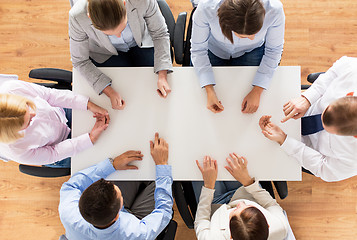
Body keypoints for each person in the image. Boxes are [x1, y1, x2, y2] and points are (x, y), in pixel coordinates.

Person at [259, 56, 357, 182]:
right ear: (348, 95)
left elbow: (323, 169)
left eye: (329, 130)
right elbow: (339, 66)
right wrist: (308, 98)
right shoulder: (354, 72)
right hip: (299, 107)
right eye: (326, 109)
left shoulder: (354, 158)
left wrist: (285, 140)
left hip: (300, 148)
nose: (321, 121)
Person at [59, 132, 173, 240]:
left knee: (135, 172)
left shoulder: (69, 213)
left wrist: (112, 165)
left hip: (116, 219)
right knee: (166, 180)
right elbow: (164, 211)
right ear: (118, 215)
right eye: (120, 195)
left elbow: (72, 185)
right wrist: (161, 165)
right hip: (135, 222)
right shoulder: (137, 234)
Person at [69, 0, 173, 110]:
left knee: (150, 84)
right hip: (104, 52)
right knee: (122, 87)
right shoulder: (77, 16)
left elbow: (160, 33)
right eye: (109, 34)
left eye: (122, 28)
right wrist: (109, 91)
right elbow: (80, 61)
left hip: (142, 41)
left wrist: (162, 75)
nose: (118, 36)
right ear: (90, 17)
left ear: (124, 4)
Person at [191, 0, 285, 114]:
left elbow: (273, 50)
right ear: (225, 23)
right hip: (214, 49)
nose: (252, 38)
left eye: (254, 33)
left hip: (252, 51)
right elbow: (198, 49)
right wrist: (209, 89)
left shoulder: (274, 9)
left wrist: (258, 90)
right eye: (242, 36)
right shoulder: (206, 7)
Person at [0, 78, 109, 168]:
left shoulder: (12, 88)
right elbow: (54, 153)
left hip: (60, 112)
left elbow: (50, 95)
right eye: (28, 122)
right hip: (57, 147)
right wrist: (90, 138)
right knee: (102, 158)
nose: (34, 113)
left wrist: (87, 104)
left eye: (28, 106)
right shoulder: (14, 150)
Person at [194, 154, 289, 239]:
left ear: (231, 236)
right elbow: (270, 204)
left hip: (214, 203)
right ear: (268, 225)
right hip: (245, 191)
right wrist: (248, 181)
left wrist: (208, 186)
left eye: (235, 211)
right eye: (250, 208)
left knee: (199, 160)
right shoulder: (280, 228)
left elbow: (201, 220)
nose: (240, 204)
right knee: (232, 155)